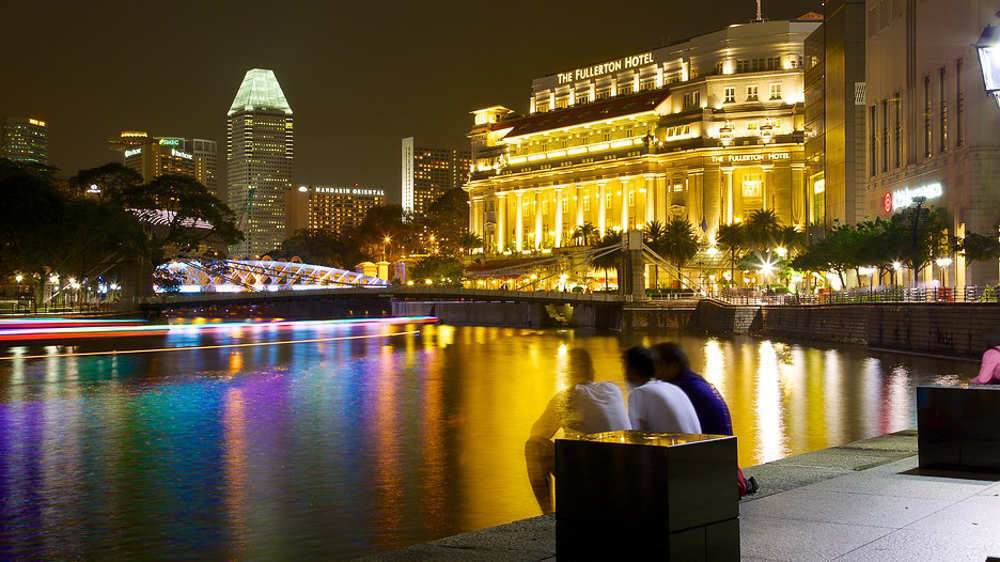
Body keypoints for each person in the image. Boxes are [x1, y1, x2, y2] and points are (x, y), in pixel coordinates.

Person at [525, 348, 631, 513]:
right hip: (626, 475)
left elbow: (537, 434)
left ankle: (547, 517)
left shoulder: (570, 396)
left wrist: (566, 427)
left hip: (595, 479)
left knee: (533, 447)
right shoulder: (612, 389)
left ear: (568, 373)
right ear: (593, 371)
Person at [651, 341, 759, 497]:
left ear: (672, 366)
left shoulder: (678, 389)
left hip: (710, 470)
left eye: (656, 365)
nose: (653, 371)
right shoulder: (694, 381)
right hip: (725, 465)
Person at [651, 342, 732, 435]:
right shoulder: (694, 381)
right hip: (721, 446)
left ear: (672, 366)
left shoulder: (680, 390)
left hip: (706, 446)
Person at [623, 346, 701, 434]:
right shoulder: (672, 388)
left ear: (632, 370)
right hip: (695, 445)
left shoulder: (640, 393)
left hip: (673, 446)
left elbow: (635, 434)